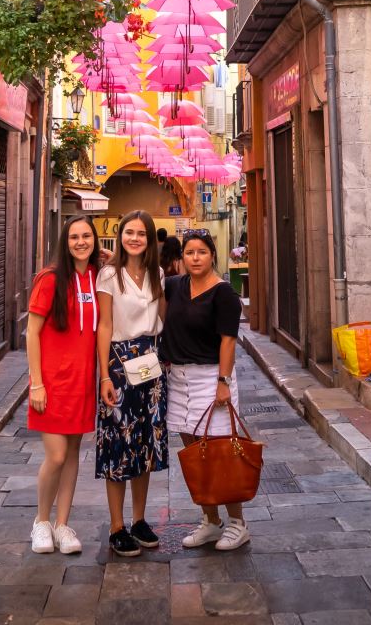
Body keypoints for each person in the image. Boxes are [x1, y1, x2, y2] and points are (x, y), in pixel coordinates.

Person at [161, 227, 248, 551]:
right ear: (181, 257)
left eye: (201, 252)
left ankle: (238, 524)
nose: (195, 258)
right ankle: (210, 521)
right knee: (194, 457)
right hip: (179, 381)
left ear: (212, 255)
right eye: (189, 252)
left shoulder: (223, 293)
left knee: (220, 456)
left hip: (212, 380)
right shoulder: (173, 286)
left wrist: (223, 383)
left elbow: (228, 341)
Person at [26, 215, 101, 556]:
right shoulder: (51, 279)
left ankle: (63, 524)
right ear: (65, 241)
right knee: (55, 456)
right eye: (74, 237)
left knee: (73, 454)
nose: (81, 242)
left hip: (82, 382)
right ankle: (41, 522)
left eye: (87, 236)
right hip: (52, 384)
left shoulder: (98, 276)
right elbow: (32, 333)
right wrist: (36, 383)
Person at [96, 209, 168, 557]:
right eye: (129, 232)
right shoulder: (110, 275)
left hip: (151, 364)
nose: (135, 238)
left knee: (145, 444)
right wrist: (104, 375)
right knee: (117, 443)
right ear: (120, 236)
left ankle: (139, 520)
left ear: (149, 239)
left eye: (141, 233)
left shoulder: (157, 273)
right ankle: (117, 526)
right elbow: (105, 326)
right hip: (120, 362)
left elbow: (163, 317)